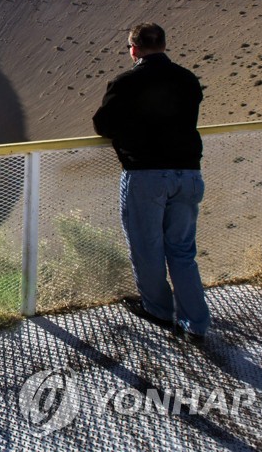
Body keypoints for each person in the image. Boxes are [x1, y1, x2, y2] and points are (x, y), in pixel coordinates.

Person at [92, 22, 211, 343]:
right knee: (183, 251)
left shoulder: (127, 82)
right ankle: (197, 323)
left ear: (134, 48)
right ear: (163, 44)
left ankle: (159, 311)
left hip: (146, 175)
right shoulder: (187, 79)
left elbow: (103, 125)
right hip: (188, 174)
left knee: (147, 248)